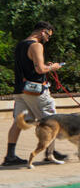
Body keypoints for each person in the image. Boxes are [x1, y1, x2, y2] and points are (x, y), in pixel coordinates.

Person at [5, 22, 66, 166]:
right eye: (48, 35)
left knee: (18, 122)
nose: (48, 39)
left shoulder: (20, 45)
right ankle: (50, 153)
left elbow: (32, 66)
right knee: (51, 120)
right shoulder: (36, 45)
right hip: (35, 91)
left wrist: (45, 66)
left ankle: (10, 156)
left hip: (20, 90)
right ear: (43, 31)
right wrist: (53, 67)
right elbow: (40, 70)